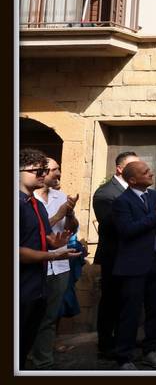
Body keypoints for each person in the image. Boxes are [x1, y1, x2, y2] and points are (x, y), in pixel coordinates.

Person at [111, 160, 156, 370]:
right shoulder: (121, 202)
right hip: (133, 266)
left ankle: (150, 351)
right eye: (145, 172)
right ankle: (124, 357)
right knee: (130, 312)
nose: (151, 173)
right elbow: (128, 231)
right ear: (132, 179)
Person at [19, 149, 78, 369]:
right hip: (21, 282)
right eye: (37, 170)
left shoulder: (35, 205)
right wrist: (53, 254)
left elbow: (40, 237)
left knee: (34, 329)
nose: (43, 174)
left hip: (39, 280)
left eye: (45, 170)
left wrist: (53, 243)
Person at [91, 150, 138, 360]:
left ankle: (124, 338)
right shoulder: (105, 193)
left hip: (134, 255)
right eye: (132, 165)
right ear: (120, 168)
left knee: (129, 300)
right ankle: (106, 344)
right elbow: (113, 225)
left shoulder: (138, 190)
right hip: (115, 255)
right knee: (111, 301)